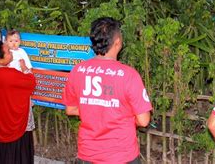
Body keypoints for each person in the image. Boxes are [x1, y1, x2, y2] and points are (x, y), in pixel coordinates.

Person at [63, 17, 152, 164]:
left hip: (87, 154)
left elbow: (70, 109)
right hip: (122, 156)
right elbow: (143, 120)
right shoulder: (129, 75)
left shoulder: (77, 70)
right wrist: (118, 112)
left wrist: (95, 109)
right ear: (117, 43)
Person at [0, 40, 36, 164]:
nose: (11, 52)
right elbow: (31, 82)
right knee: (19, 156)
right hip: (14, 124)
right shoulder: (8, 74)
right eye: (8, 52)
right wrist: (25, 68)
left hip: (0, 123)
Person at [5, 30, 35, 132]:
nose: (13, 43)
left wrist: (23, 67)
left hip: (21, 87)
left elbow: (29, 71)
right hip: (8, 88)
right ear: (6, 41)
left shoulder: (22, 52)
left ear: (20, 42)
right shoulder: (4, 53)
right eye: (11, 41)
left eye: (16, 41)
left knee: (23, 115)